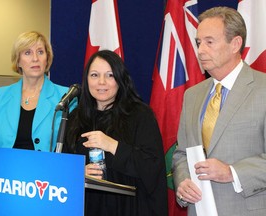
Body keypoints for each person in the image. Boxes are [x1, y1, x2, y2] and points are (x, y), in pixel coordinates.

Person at [172, 6, 266, 216]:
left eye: (209, 42)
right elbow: (181, 154)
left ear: (235, 43)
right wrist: (183, 181)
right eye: (198, 42)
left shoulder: (263, 89)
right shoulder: (192, 95)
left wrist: (232, 172)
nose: (200, 50)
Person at [63, 50, 168, 216]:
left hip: (129, 207)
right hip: (86, 207)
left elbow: (153, 167)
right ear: (86, 80)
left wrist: (112, 145)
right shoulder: (75, 117)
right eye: (95, 75)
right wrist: (78, 172)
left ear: (120, 79)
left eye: (110, 75)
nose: (101, 82)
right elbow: (63, 165)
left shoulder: (140, 114)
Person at [0, 31, 77, 151]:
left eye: (40, 52)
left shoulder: (67, 96)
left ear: (47, 59)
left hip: (47, 168)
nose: (35, 58)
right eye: (28, 53)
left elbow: (73, 148)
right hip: (5, 168)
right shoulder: (1, 95)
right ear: (18, 61)